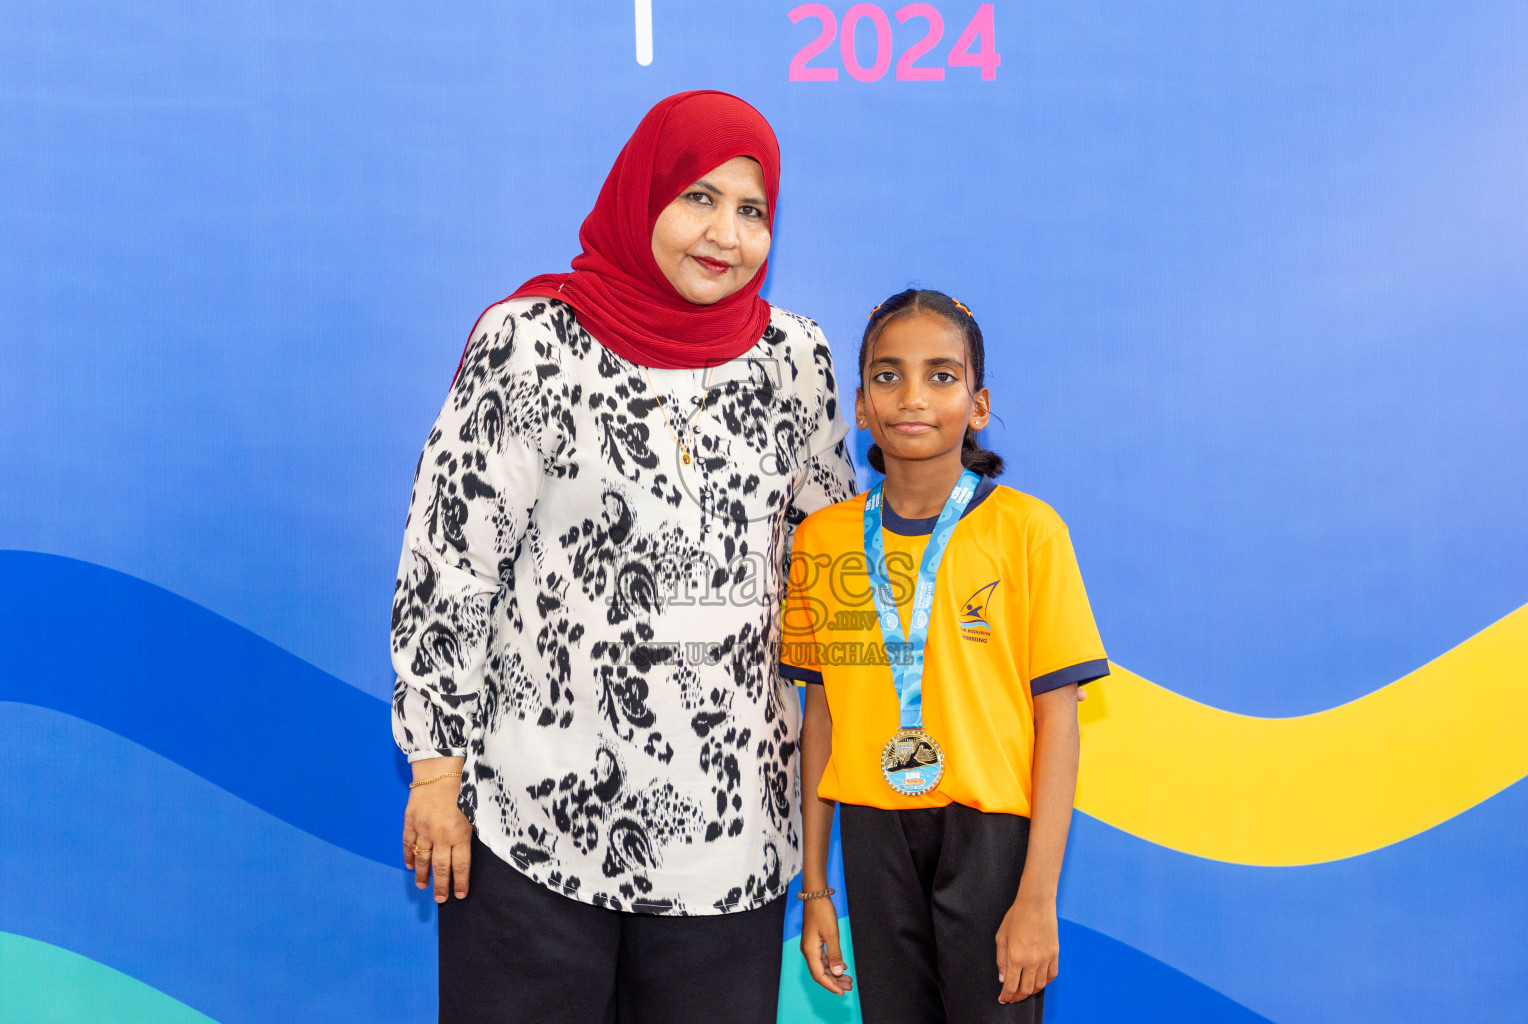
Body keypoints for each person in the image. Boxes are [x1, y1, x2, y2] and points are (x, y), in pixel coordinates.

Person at [390, 91, 855, 1023]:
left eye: (752, 211)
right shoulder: (530, 346)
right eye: (698, 198)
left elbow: (828, 568)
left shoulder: (795, 361)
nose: (725, 233)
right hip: (534, 829)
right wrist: (436, 772)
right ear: (643, 197)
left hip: (733, 849)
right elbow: (450, 564)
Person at [782, 289, 1110, 1023]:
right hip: (873, 829)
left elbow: (1060, 723)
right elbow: (821, 718)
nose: (913, 397)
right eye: (888, 375)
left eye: (941, 375)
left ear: (979, 403)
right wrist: (815, 890)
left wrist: (1036, 898)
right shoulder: (824, 542)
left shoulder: (1029, 533)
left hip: (988, 836)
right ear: (860, 406)